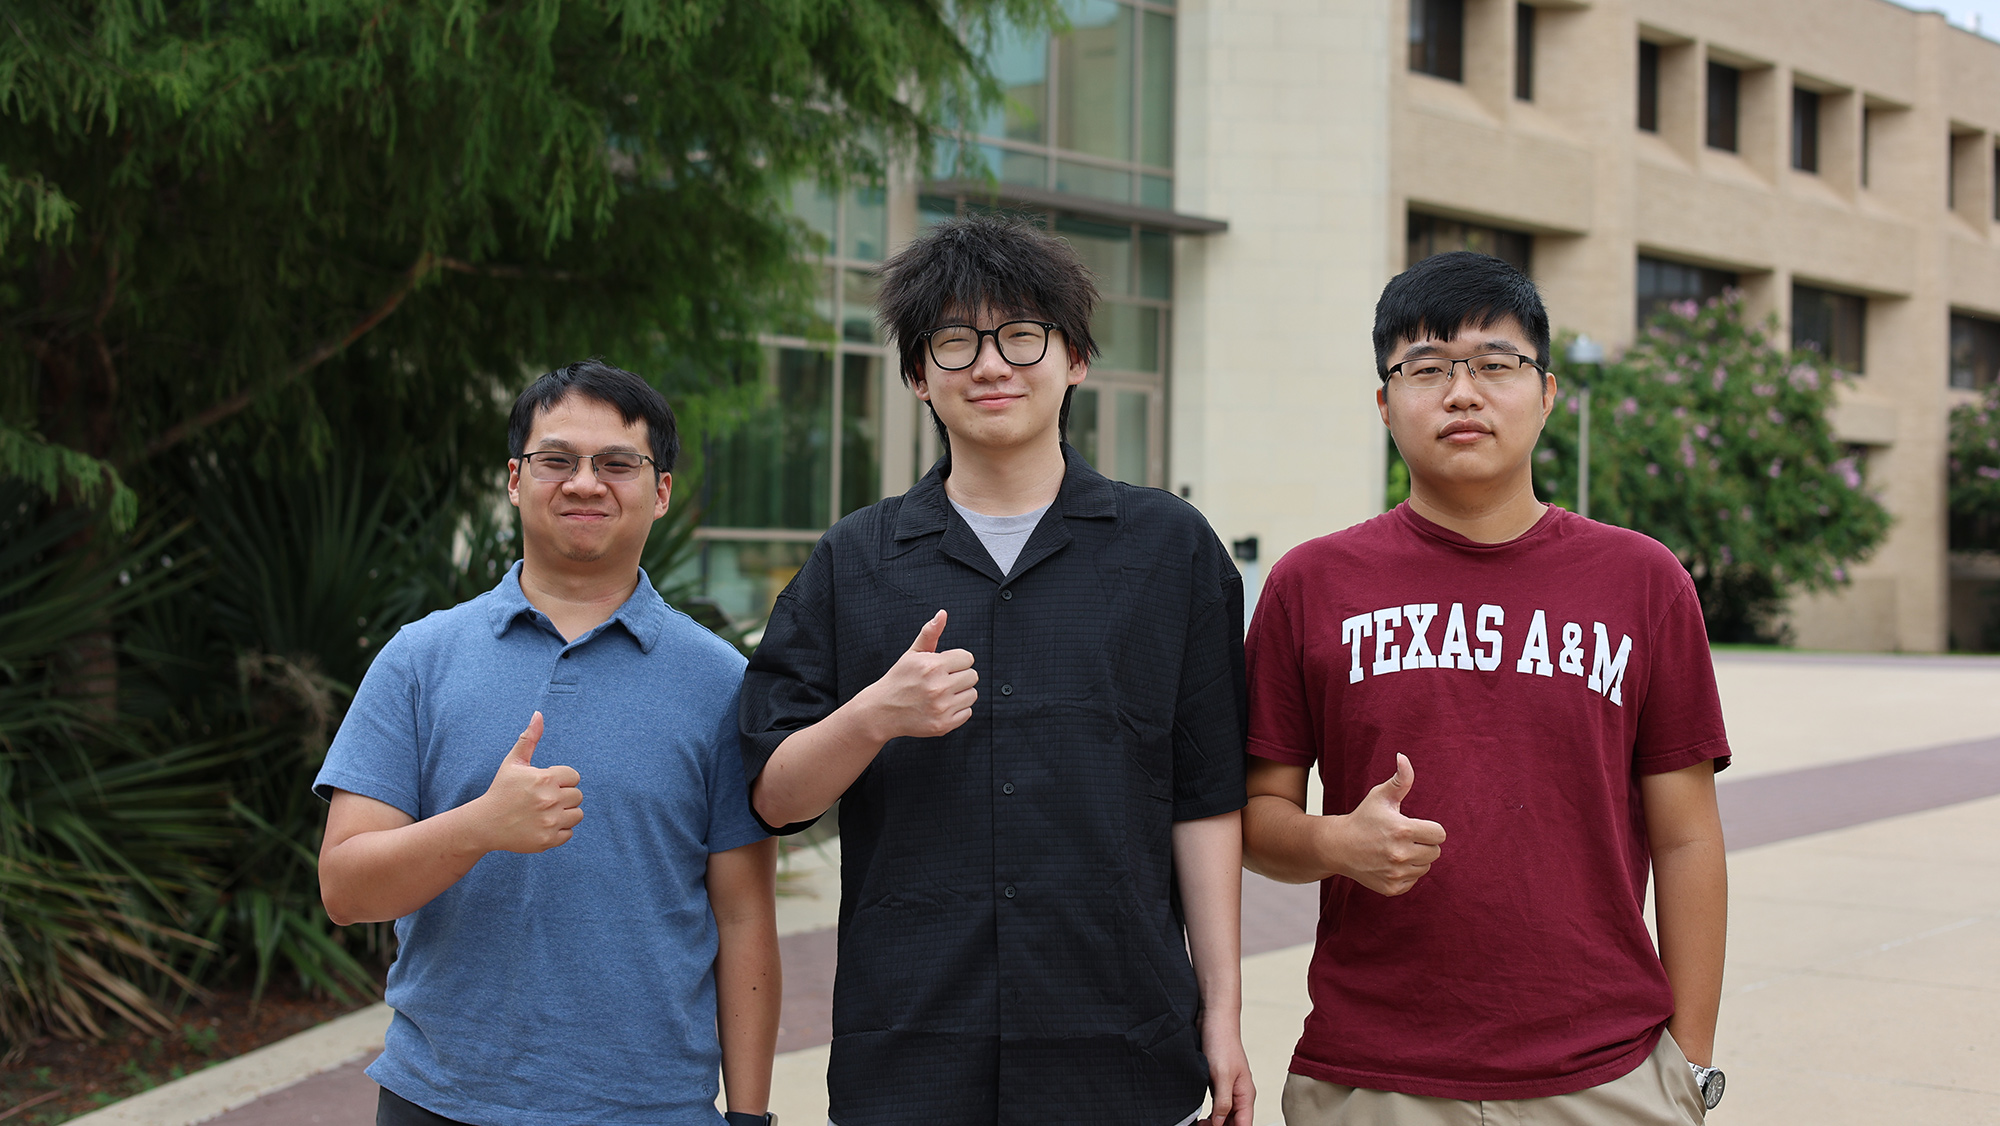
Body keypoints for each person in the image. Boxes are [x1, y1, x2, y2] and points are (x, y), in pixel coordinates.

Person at [739, 214, 1254, 1126]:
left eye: (1022, 335)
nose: (991, 365)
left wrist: (1224, 1011)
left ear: (1076, 359)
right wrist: (872, 716)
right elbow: (776, 800)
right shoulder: (855, 562)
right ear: (916, 376)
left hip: (1120, 1048)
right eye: (954, 342)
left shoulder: (1168, 550)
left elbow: (1205, 798)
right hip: (910, 1052)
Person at [1241, 251, 1730, 1125]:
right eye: (1426, 369)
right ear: (1384, 404)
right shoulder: (1312, 584)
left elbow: (1688, 837)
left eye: (1495, 365)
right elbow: (1258, 821)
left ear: (1545, 394)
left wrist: (1689, 1066)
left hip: (1606, 1075)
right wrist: (1338, 843)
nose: (1462, 393)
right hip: (1373, 1075)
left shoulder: (1643, 581)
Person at [314, 360, 780, 1126]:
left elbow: (742, 916)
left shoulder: (722, 682)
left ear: (659, 491)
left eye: (617, 464)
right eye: (556, 460)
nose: (585, 483)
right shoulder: (419, 659)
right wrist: (479, 827)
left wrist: (751, 1116)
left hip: (651, 1109)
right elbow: (345, 888)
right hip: (442, 1099)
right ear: (514, 479)